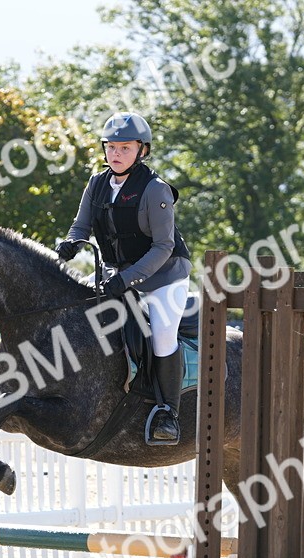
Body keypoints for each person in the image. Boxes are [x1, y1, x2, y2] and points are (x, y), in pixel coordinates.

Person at [55, 111, 192, 444]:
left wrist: (127, 278)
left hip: (164, 276)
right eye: (111, 147)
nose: (116, 154)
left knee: (161, 335)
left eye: (125, 148)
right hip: (116, 273)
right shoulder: (97, 183)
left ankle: (168, 413)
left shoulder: (155, 190)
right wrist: (72, 243)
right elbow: (81, 224)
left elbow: (163, 247)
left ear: (141, 151)